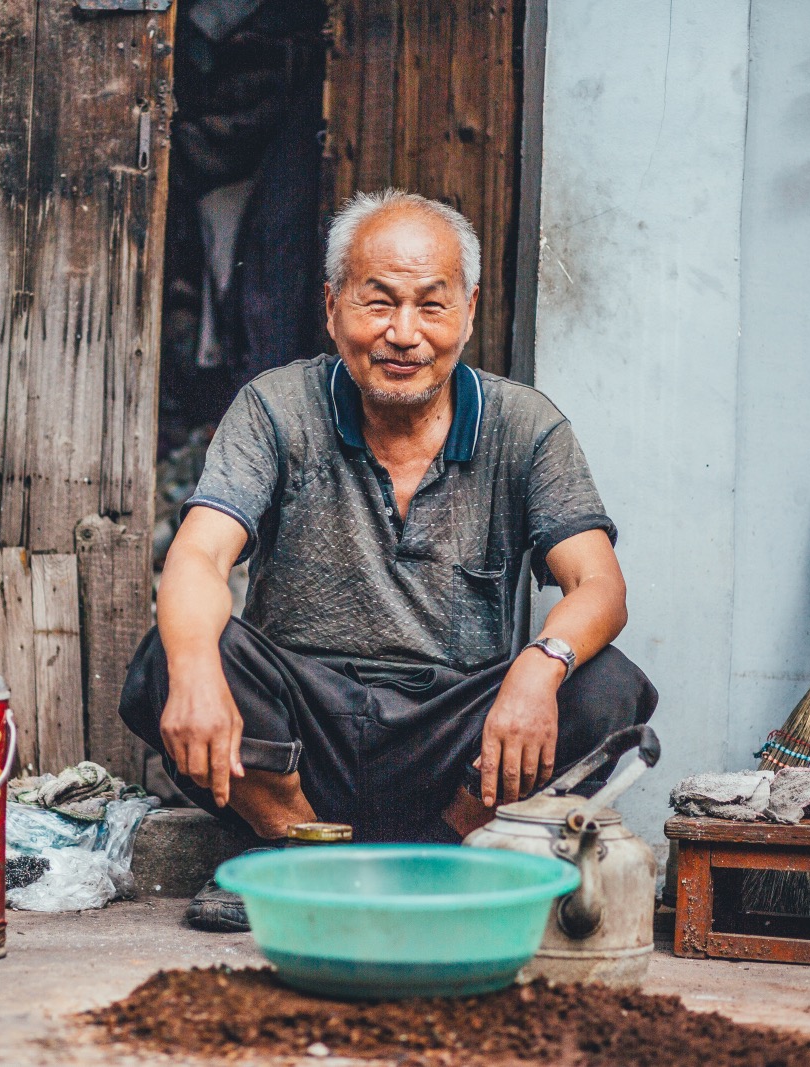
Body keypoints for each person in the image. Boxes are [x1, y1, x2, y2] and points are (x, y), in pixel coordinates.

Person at [119, 189, 658, 931]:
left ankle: (448, 858)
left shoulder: (525, 427)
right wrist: (197, 670)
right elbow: (200, 556)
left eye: (431, 306)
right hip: (305, 726)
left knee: (605, 686)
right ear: (333, 306)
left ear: (468, 310)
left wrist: (541, 665)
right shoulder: (277, 407)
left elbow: (599, 584)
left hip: (455, 734)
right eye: (379, 303)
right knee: (168, 657)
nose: (404, 334)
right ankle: (297, 853)